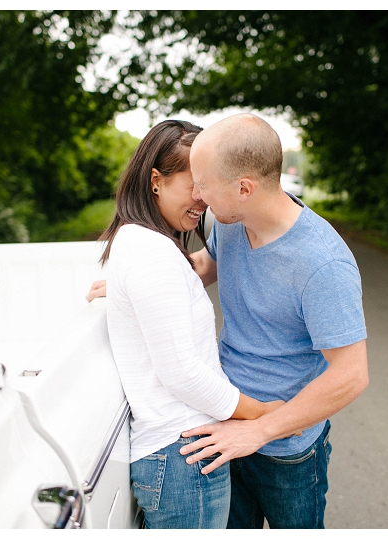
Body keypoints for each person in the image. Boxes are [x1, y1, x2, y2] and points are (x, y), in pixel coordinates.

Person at [177, 113, 369, 529]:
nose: (195, 194)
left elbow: (352, 375)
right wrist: (143, 281)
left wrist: (260, 432)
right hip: (225, 420)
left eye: (203, 184)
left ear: (243, 188)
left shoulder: (323, 263)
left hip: (287, 448)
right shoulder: (231, 221)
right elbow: (208, 265)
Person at [94, 119, 282, 529]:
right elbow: (181, 372)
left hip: (179, 453)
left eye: (207, 185)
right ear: (156, 180)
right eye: (192, 185)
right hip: (184, 455)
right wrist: (261, 413)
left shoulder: (142, 244)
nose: (203, 200)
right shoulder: (150, 251)